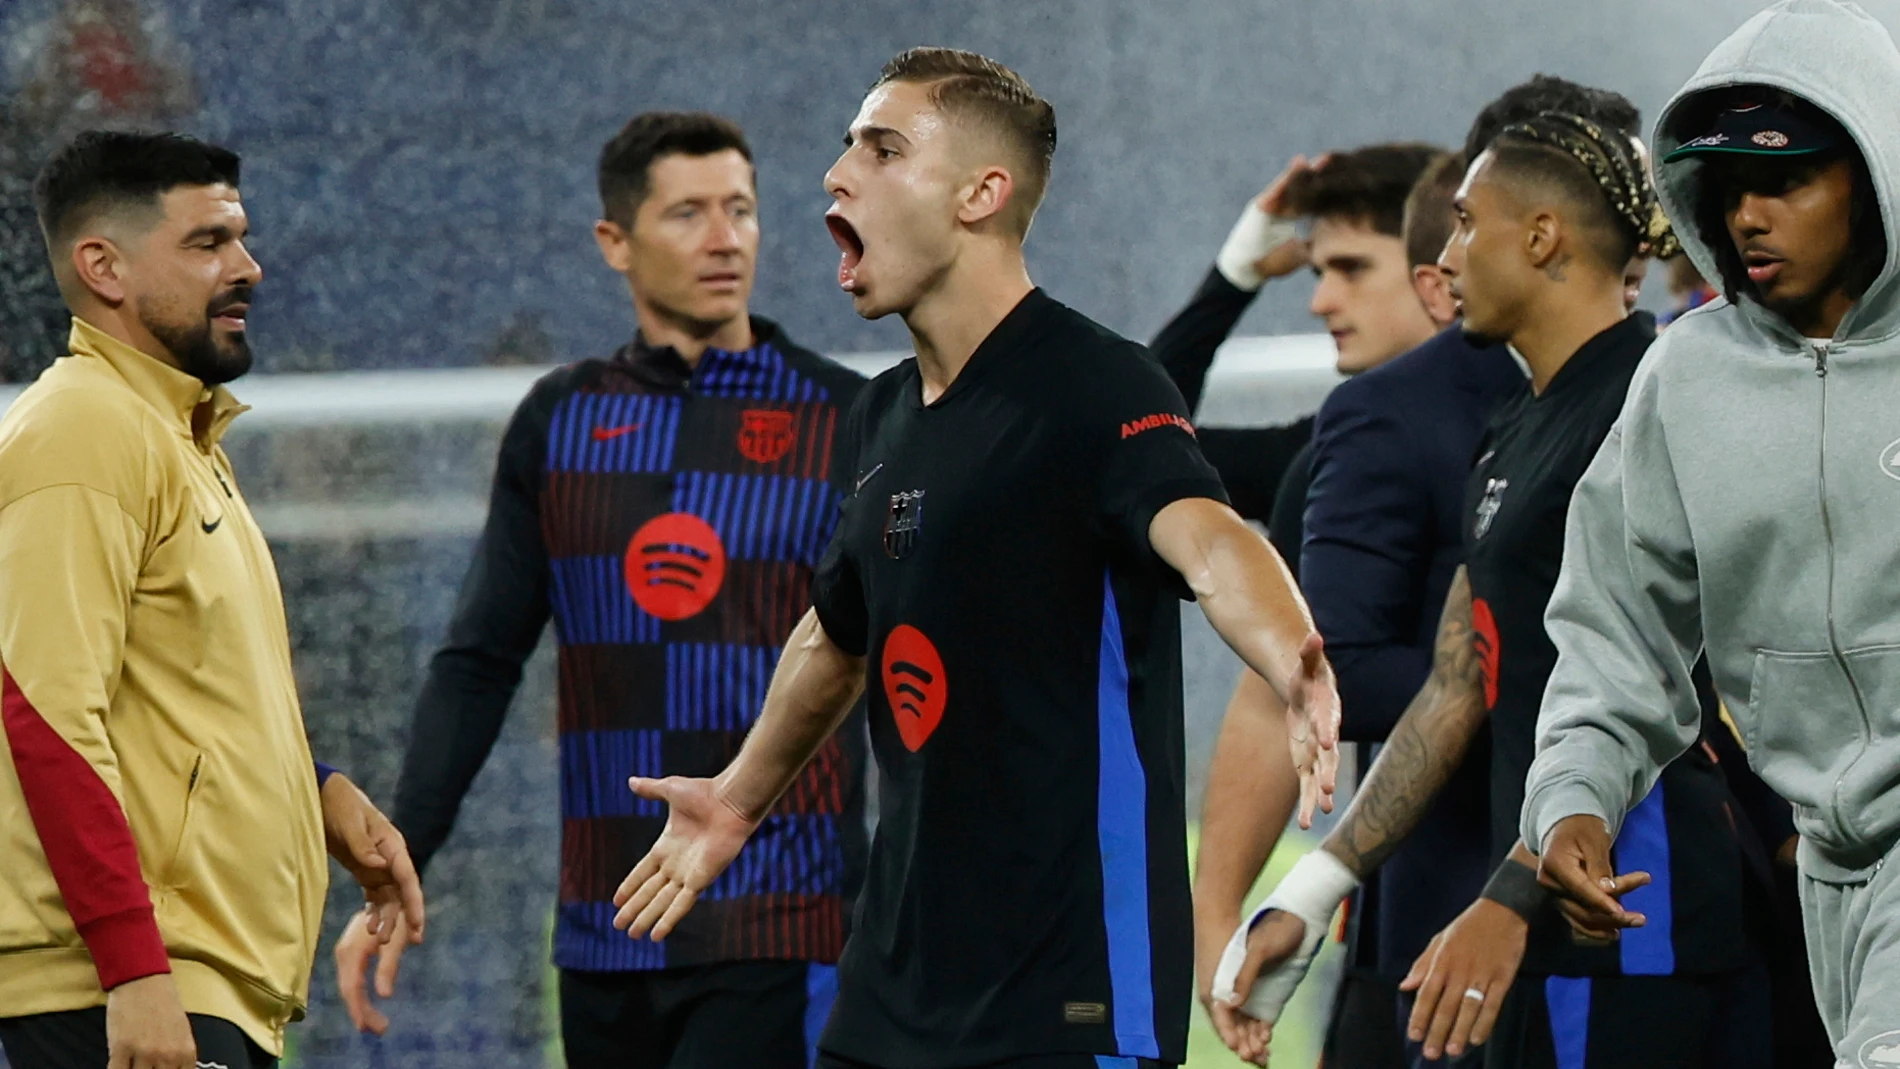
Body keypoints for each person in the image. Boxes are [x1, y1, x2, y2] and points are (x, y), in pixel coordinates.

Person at [610, 47, 1342, 1069]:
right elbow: (837, 632)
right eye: (845, 147)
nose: (836, 172)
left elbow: (1208, 539)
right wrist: (737, 796)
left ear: (979, 195)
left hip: (1067, 997)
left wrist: (1288, 648)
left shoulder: (1095, 382)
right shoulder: (881, 415)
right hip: (892, 995)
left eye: (882, 147)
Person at [1215, 111, 1772, 1069]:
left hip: (1643, 926)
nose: (1446, 248)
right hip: (1547, 923)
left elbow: (1666, 694)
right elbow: (1460, 683)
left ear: (1543, 236)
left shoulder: (1651, 402)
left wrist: (1512, 893)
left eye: (1468, 222)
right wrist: (1317, 886)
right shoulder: (1516, 423)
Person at [330, 112, 868, 1069]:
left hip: (783, 919)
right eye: (689, 214)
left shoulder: (845, 416)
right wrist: (402, 853)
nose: (725, 238)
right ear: (613, 242)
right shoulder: (560, 421)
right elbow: (480, 662)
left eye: (741, 210)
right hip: (602, 929)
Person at [1524, 2, 1900, 1063]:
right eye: (1726, 184)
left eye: (1783, 178)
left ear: (1874, 175)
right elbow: (1614, 633)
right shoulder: (1686, 377)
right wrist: (1571, 802)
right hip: (1832, 870)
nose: (1745, 213)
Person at [0, 130, 423, 1069]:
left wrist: (314, 795)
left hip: (187, 979)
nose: (249, 267)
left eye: (242, 237)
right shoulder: (83, 427)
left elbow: (165, 700)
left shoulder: (180, 441)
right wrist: (133, 972)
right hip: (130, 988)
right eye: (208, 243)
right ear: (102, 266)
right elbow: (44, 713)